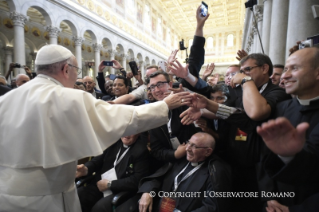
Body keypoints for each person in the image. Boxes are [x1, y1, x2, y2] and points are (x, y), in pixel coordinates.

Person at [0, 44, 193, 211]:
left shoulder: (5, 99)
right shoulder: (70, 98)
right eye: (76, 69)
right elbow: (126, 118)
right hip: (47, 197)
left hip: (5, 194)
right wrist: (165, 105)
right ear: (66, 69)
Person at [257, 47, 319, 211]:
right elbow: (263, 157)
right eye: (285, 69)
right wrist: (268, 197)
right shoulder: (281, 107)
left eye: (295, 68)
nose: (284, 76)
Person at [138, 132, 231, 212]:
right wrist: (147, 192)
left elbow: (211, 207)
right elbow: (156, 178)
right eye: (188, 143)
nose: (187, 149)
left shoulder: (215, 171)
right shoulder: (181, 160)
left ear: (208, 151)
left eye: (194, 146)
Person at [77, 133, 150, 212]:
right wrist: (86, 169)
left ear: (138, 133)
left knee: (100, 207)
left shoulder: (141, 150)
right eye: (126, 130)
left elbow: (136, 180)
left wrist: (110, 184)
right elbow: (96, 161)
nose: (127, 134)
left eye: (132, 132)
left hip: (119, 190)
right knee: (79, 195)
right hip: (100, 185)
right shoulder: (112, 141)